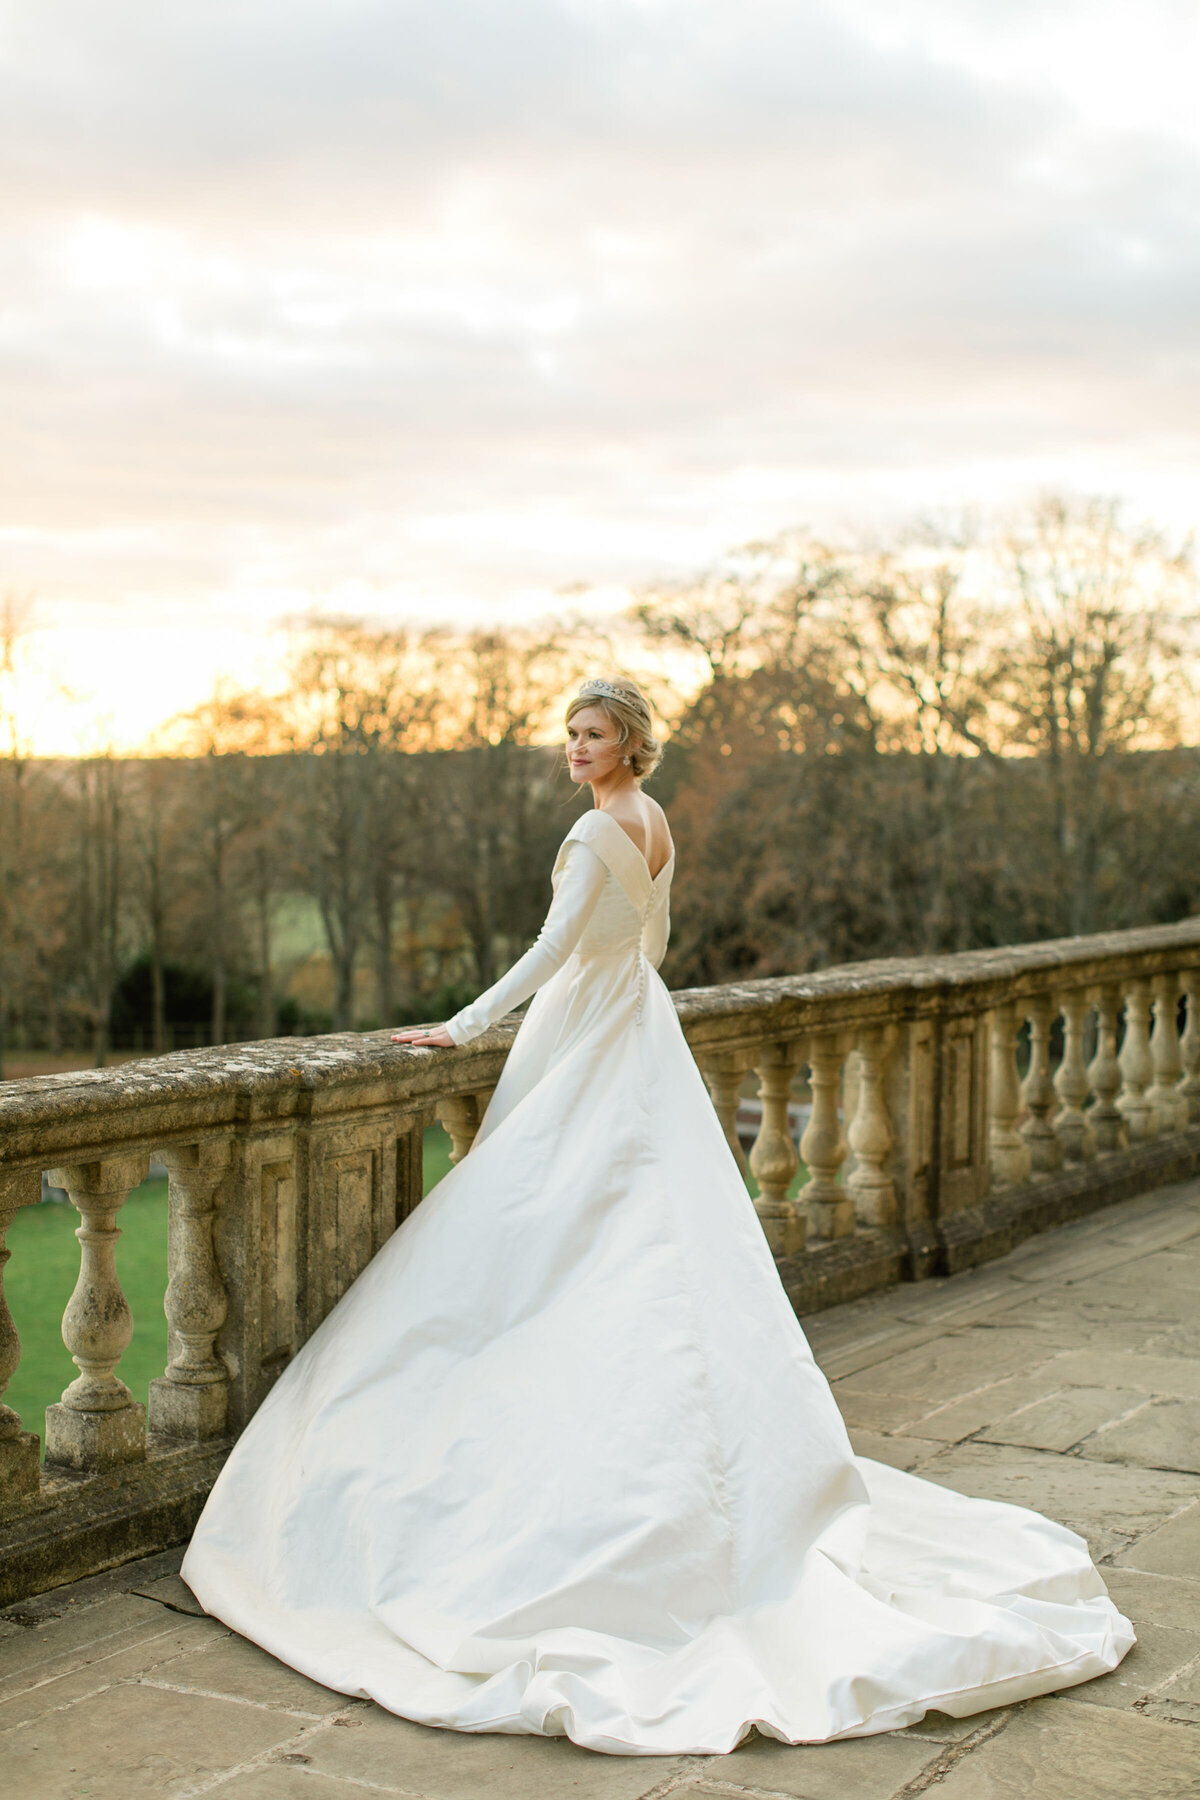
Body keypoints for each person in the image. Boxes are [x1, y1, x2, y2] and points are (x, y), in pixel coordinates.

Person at [182, 675, 1133, 1757]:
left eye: (589, 736)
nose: (572, 752)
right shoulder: (654, 821)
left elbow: (549, 952)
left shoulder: (596, 837)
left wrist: (461, 1027)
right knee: (658, 1240)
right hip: (638, 1021)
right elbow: (653, 944)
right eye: (570, 737)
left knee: (550, 1231)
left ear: (628, 742)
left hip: (588, 1026)